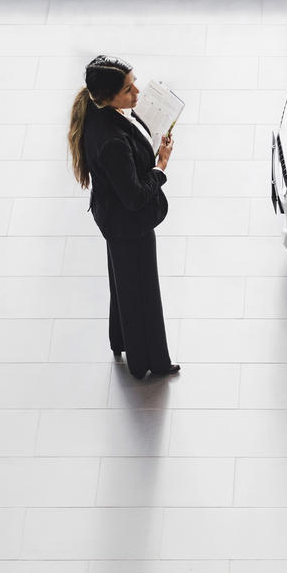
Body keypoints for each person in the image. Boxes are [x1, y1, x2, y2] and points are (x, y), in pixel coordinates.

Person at [69, 55, 178, 379]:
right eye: (128, 89)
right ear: (108, 97)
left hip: (111, 219)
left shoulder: (98, 112)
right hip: (129, 225)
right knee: (143, 293)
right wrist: (161, 166)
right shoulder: (113, 141)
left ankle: (121, 340)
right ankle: (150, 363)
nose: (137, 92)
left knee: (124, 284)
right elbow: (134, 198)